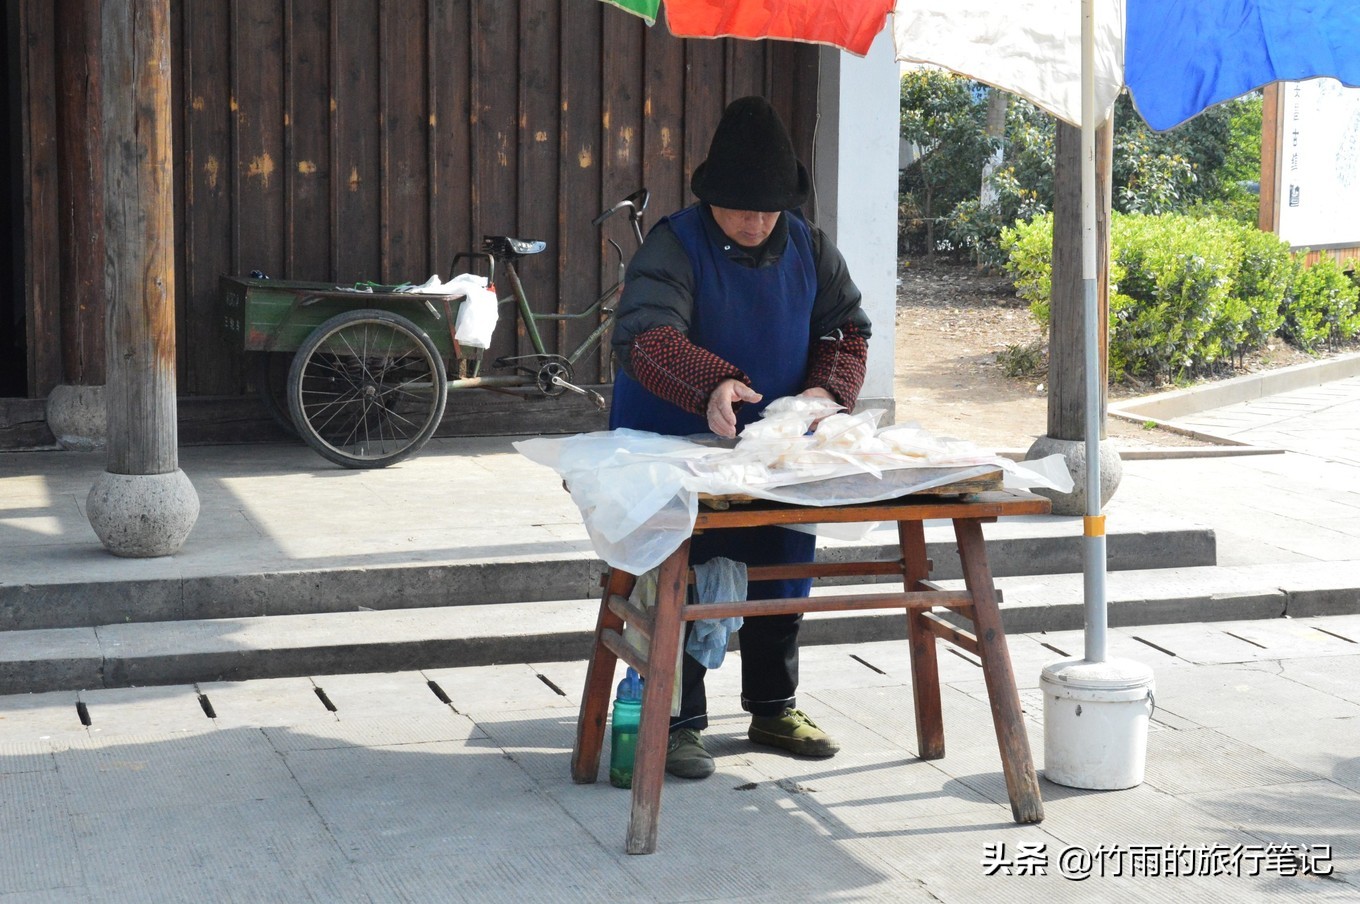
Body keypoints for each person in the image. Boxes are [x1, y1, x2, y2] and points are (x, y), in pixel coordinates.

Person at [609, 96, 872, 780]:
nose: (757, 222)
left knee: (784, 562)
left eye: (768, 210)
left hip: (774, 451)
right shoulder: (675, 242)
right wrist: (711, 385)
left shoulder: (810, 245)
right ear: (711, 197)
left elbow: (845, 329)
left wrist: (825, 392)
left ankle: (773, 706)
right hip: (678, 442)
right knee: (683, 573)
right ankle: (680, 717)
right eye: (742, 209)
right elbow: (648, 335)